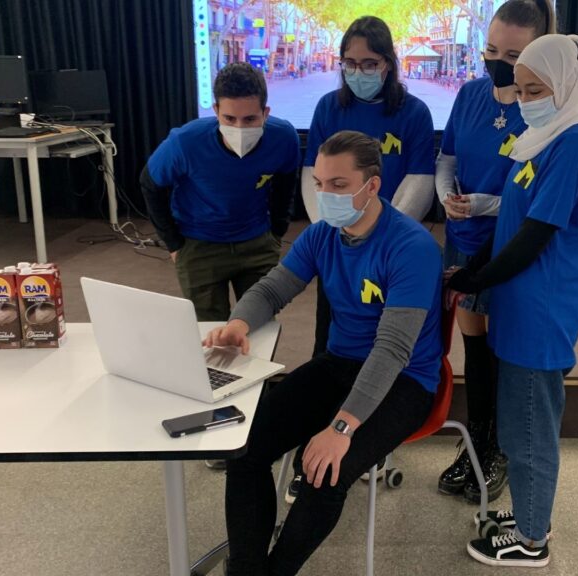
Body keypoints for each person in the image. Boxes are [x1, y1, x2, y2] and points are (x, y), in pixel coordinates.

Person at [208, 130, 443, 575]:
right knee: (246, 451)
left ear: (372, 186)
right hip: (339, 365)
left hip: (405, 380)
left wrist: (341, 427)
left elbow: (392, 350)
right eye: (319, 183)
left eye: (338, 184)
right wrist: (238, 323)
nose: (325, 195)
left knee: (325, 475)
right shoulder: (322, 235)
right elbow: (272, 289)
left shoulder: (412, 247)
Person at [449, 35, 578, 567]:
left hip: (542, 307)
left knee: (529, 428)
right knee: (519, 418)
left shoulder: (576, 142)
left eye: (535, 90)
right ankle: (532, 514)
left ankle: (531, 541)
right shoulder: (544, 136)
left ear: (568, 86)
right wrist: (477, 272)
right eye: (521, 89)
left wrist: (475, 278)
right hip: (519, 300)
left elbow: (535, 236)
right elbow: (514, 216)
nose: (524, 100)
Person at [288, 15, 436, 501]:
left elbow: (418, 181)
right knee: (330, 348)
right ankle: (313, 447)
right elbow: (313, 173)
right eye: (349, 63)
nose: (358, 71)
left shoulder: (413, 113)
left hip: (390, 250)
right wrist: (333, 233)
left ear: (388, 64)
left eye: (369, 63)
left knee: (385, 347)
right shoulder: (330, 107)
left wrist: (379, 235)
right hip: (340, 249)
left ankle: (369, 441)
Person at [435, 0, 555, 507]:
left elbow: (538, 199)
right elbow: (447, 159)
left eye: (512, 55)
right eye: (491, 50)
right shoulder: (469, 95)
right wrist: (447, 197)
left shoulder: (543, 111)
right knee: (474, 350)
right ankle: (477, 443)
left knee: (504, 351)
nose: (498, 63)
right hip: (462, 241)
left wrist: (484, 203)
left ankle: (500, 451)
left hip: (508, 247)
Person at [141, 62, 299, 322]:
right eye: (229, 119)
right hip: (199, 246)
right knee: (209, 332)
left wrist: (277, 231)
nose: (239, 129)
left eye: (250, 119)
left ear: (265, 113)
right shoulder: (185, 142)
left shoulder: (283, 138)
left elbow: (286, 182)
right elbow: (150, 184)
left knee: (259, 325)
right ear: (216, 111)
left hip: (257, 243)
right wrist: (173, 244)